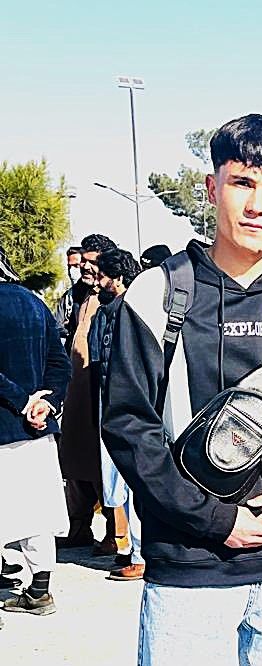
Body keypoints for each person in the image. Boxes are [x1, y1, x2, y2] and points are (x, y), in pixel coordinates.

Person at [102, 113, 262, 665]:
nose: (257, 204)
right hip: (187, 576)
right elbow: (129, 428)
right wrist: (217, 520)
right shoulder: (158, 292)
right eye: (242, 183)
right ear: (212, 188)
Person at [0, 248, 72, 618]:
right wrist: (46, 402)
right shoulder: (34, 302)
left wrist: (21, 400)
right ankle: (40, 590)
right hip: (37, 429)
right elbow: (60, 362)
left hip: (6, 422)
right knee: (38, 510)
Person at [58, 233, 120, 552]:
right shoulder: (79, 297)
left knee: (101, 460)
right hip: (76, 388)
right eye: (82, 260)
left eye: (91, 261)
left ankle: (115, 532)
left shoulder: (113, 299)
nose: (84, 267)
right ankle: (79, 527)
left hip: (100, 388)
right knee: (73, 456)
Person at [89, 248, 144, 580]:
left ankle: (141, 555)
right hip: (112, 403)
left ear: (118, 277)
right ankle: (129, 549)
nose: (97, 282)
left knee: (135, 482)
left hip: (130, 407)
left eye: (102, 276)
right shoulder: (108, 311)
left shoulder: (132, 309)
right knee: (118, 484)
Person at [53, 246, 87, 345]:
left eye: (76, 266)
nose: (71, 271)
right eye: (69, 267)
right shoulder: (67, 297)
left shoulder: (94, 293)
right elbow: (56, 325)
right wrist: (70, 331)